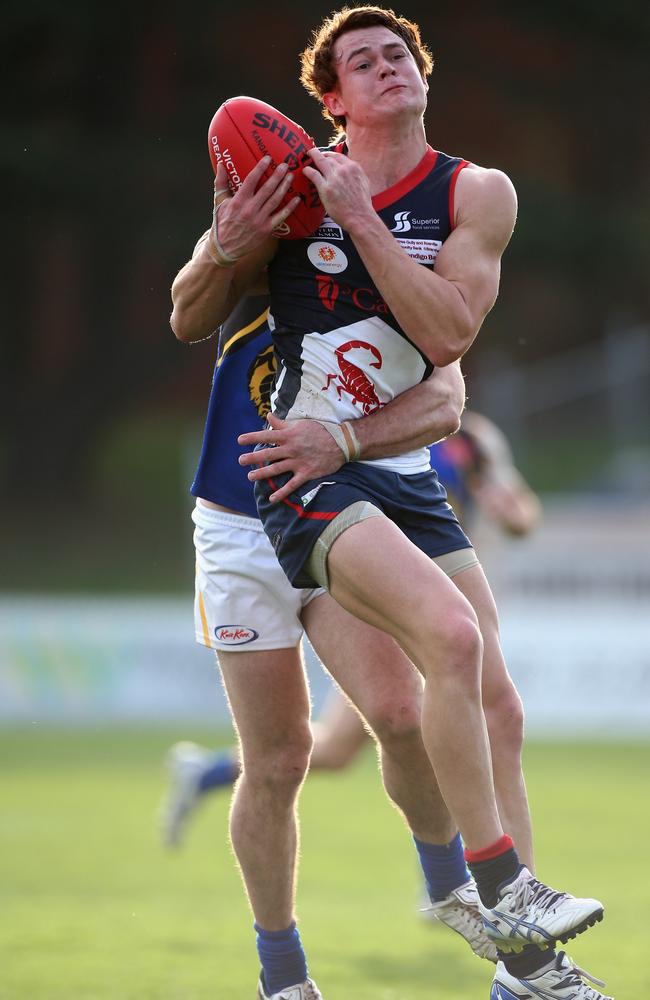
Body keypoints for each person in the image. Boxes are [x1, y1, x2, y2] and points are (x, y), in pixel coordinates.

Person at [170, 8, 610, 1000]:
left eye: (397, 55)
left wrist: (358, 431)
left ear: (422, 74)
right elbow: (189, 314)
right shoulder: (285, 194)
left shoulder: (468, 193)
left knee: (460, 700)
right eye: (358, 62)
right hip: (254, 491)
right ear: (328, 98)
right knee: (279, 756)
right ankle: (290, 973)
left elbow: (448, 373)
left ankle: (518, 956)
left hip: (375, 471)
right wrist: (226, 240)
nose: (384, 70)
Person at [161, 407, 542, 840]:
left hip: (443, 603)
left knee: (361, 742)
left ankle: (206, 773)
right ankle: (449, 871)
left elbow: (522, 514)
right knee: (404, 727)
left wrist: (512, 513)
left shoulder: (472, 438)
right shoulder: (351, 418)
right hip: (381, 595)